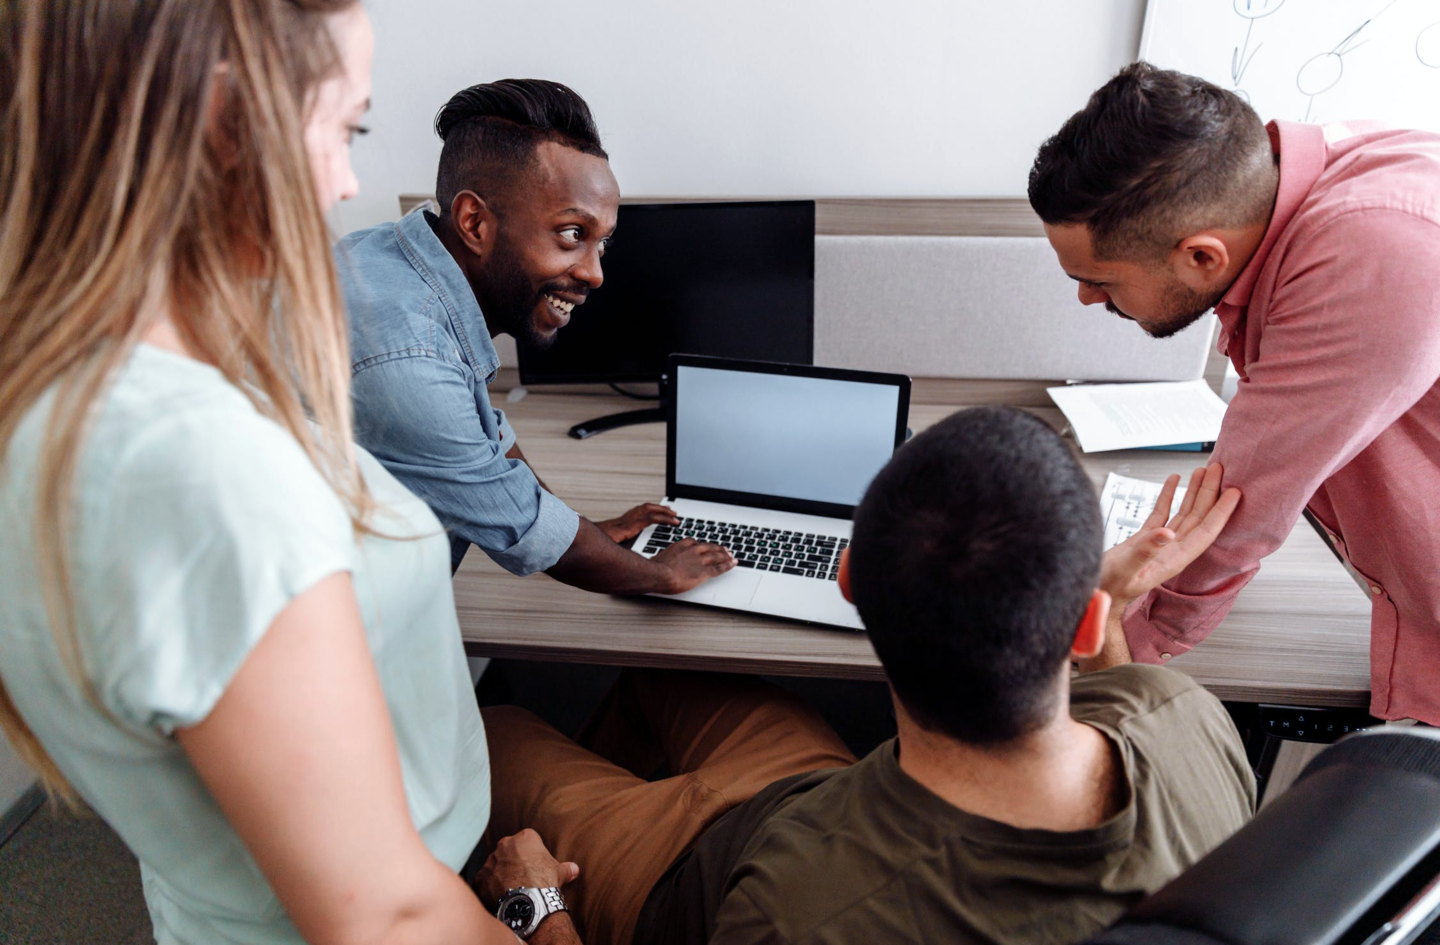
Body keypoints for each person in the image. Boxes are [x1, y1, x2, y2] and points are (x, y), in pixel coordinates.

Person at [0, 4, 582, 944]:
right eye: (346, 129)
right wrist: (540, 914)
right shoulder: (199, 472)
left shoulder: (79, 387)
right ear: (226, 116)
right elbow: (387, 918)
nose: (347, 183)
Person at [479, 406, 1254, 945]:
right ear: (1086, 625)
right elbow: (1120, 698)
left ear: (848, 581)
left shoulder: (797, 917)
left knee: (497, 727)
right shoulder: (1183, 714)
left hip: (685, 882)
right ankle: (611, 801)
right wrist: (1099, 607)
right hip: (821, 797)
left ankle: (591, 863)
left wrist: (537, 905)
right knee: (661, 679)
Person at [1027, 62, 1440, 723]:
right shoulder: (1304, 182)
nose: (1085, 297)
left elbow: (1237, 509)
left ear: (1201, 256)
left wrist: (1101, 652)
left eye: (1100, 280)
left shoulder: (1372, 253)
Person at [335, 79, 732, 594]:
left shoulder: (388, 256)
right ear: (474, 222)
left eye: (602, 243)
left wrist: (585, 531)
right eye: (572, 234)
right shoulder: (412, 358)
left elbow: (488, 446)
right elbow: (528, 534)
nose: (595, 274)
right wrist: (664, 574)